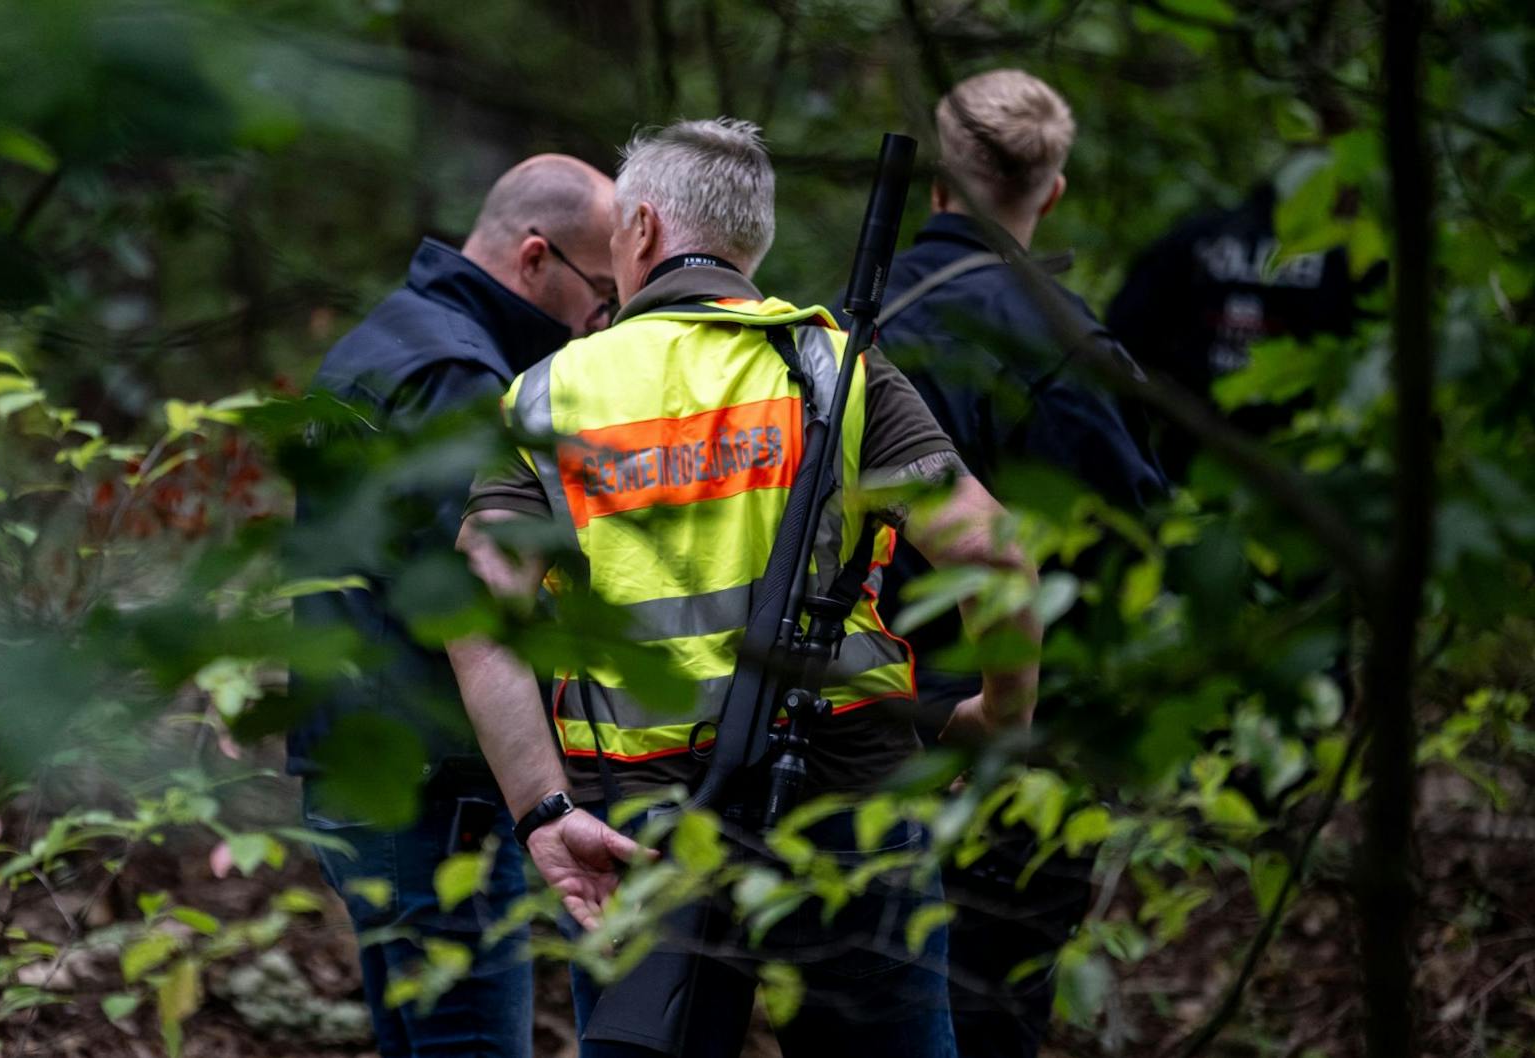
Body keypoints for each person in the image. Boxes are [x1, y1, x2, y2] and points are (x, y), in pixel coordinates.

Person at [445, 118, 1041, 1058]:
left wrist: (546, 811)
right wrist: (998, 717)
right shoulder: (835, 370)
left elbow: (475, 614)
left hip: (636, 823)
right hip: (849, 802)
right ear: (750, 241)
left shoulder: (550, 395)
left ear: (641, 229)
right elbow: (996, 556)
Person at [287, 154, 617, 1058]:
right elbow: (476, 608)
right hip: (431, 791)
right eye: (600, 296)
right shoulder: (459, 378)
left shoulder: (389, 336)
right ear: (536, 259)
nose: (602, 321)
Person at [872, 70, 1166, 1058]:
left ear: (938, 183)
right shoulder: (1070, 346)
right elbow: (1130, 561)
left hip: (854, 740)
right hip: (1014, 752)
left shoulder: (835, 329)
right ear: (1054, 190)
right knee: (990, 1018)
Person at [1105, 158, 1370, 482]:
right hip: (1298, 467)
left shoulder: (1195, 237)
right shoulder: (1344, 260)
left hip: (1186, 449)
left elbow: (1122, 337)